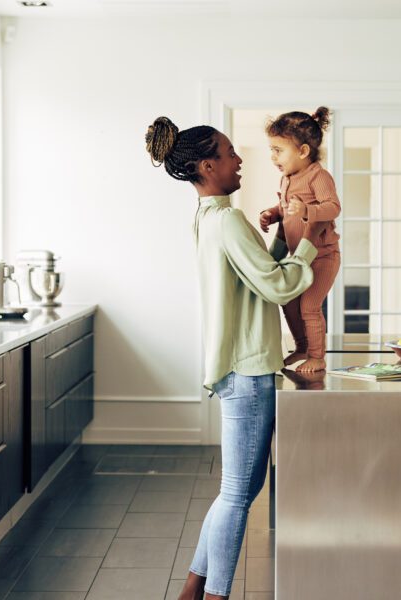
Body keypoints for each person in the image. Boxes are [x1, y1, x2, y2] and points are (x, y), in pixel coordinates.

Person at [145, 116, 327, 600]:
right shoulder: (227, 220)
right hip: (248, 372)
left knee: (236, 493)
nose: (239, 158)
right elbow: (278, 284)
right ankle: (215, 595)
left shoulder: (208, 217)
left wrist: (284, 241)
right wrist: (310, 238)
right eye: (229, 153)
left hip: (233, 368)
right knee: (237, 496)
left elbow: (256, 272)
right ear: (207, 165)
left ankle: (194, 588)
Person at [258, 107, 341, 373]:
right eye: (271, 149)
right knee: (289, 301)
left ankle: (317, 356)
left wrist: (308, 211)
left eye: (278, 150)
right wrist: (272, 214)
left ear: (303, 151)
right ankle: (302, 347)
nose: (273, 157)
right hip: (299, 256)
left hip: (324, 256)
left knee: (309, 305)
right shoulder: (287, 178)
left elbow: (333, 207)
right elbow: (286, 207)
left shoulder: (319, 176)